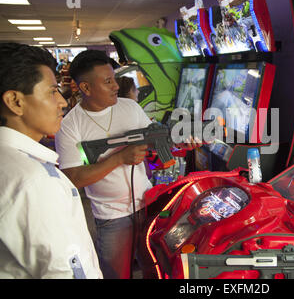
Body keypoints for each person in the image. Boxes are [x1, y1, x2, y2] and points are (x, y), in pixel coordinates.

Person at [54, 50, 200, 279]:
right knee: (116, 274)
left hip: (147, 204)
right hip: (111, 216)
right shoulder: (70, 125)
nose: (115, 86)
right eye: (108, 81)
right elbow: (73, 178)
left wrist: (181, 146)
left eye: (114, 78)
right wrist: (119, 158)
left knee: (156, 267)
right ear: (86, 88)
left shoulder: (129, 107)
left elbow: (154, 145)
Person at [0, 43, 102, 278]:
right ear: (15, 101)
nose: (62, 102)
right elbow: (66, 271)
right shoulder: (34, 181)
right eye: (51, 91)